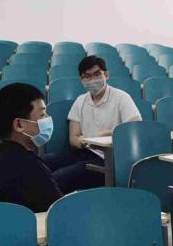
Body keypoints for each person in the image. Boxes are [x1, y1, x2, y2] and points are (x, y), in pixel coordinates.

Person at [41, 55, 140, 193]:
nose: (92, 80)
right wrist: (82, 142)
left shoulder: (122, 98)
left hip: (109, 158)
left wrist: (104, 135)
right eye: (86, 76)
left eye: (97, 74)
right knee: (40, 163)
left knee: (58, 178)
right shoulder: (80, 101)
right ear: (82, 80)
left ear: (106, 75)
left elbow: (134, 128)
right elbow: (73, 137)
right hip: (83, 152)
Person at [0, 82, 62, 213]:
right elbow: (58, 213)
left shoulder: (0, 154)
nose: (47, 119)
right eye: (42, 115)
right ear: (19, 124)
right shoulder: (30, 166)